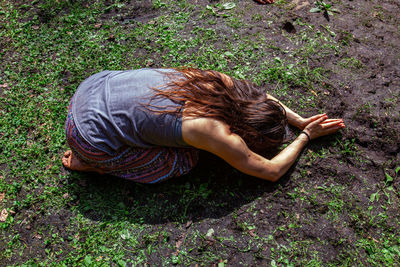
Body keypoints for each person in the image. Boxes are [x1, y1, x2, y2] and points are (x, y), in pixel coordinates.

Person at [62, 68, 344, 183]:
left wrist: (298, 119)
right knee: (184, 161)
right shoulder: (217, 134)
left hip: (93, 87)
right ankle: (94, 163)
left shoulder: (217, 83)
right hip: (87, 135)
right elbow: (270, 172)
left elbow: (262, 98)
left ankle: (102, 149)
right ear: (244, 133)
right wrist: (306, 135)